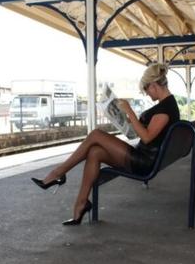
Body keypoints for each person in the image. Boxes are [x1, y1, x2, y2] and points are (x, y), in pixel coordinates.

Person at [31, 63, 180, 225]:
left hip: (144, 162)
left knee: (96, 135)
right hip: (144, 157)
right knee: (95, 151)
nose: (146, 94)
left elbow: (147, 138)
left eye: (146, 90)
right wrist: (127, 121)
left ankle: (57, 173)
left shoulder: (165, 109)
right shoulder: (167, 105)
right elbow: (148, 134)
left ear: (153, 85)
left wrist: (129, 111)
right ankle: (81, 204)